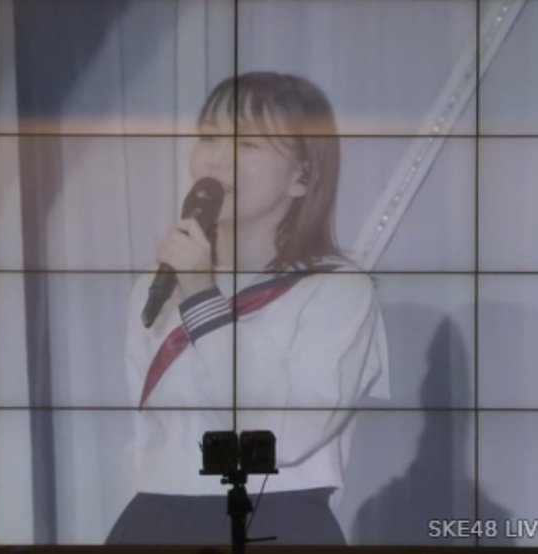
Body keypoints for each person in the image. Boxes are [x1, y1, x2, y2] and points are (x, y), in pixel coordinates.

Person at [107, 71, 389, 546]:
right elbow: (152, 433)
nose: (216, 159)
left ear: (302, 176)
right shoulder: (158, 282)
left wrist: (202, 298)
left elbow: (285, 434)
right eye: (209, 137)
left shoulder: (336, 289)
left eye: (247, 144)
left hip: (278, 520)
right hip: (158, 519)